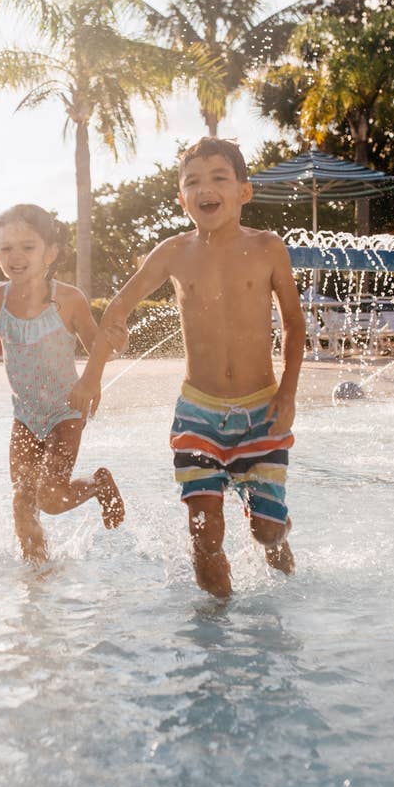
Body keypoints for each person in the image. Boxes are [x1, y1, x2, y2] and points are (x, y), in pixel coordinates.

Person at [70, 137, 305, 597]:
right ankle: (214, 638)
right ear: (182, 198)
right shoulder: (174, 252)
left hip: (263, 412)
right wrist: (93, 373)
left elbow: (295, 325)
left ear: (244, 191)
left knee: (266, 533)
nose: (206, 189)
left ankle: (276, 531)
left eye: (219, 178)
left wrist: (288, 393)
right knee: (204, 534)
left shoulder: (267, 248)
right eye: (193, 182)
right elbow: (118, 307)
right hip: (198, 413)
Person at [0, 204, 124, 562]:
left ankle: (98, 484)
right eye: (7, 248)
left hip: (67, 412)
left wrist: (93, 379)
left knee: (50, 497)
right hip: (26, 417)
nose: (16, 256)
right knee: (21, 503)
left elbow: (99, 348)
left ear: (50, 252)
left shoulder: (68, 300)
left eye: (28, 247)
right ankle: (37, 577)